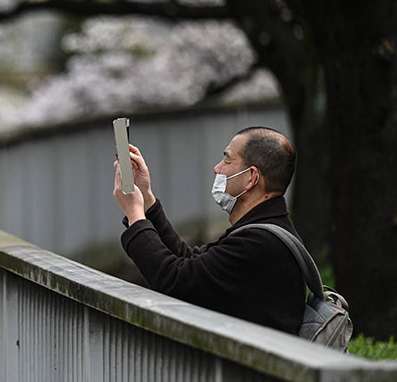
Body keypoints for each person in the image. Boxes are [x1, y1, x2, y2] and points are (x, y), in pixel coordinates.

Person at [112, 127, 303, 333]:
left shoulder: (260, 243)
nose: (217, 168)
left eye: (227, 160)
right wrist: (147, 199)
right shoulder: (264, 230)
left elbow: (175, 281)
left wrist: (135, 214)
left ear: (251, 177)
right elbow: (192, 267)